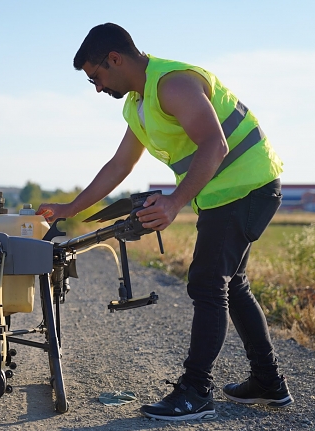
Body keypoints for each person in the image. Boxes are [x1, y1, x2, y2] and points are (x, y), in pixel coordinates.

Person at [37, 23, 293, 421]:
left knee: (208, 283)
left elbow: (215, 143)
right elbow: (120, 164)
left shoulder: (172, 83)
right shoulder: (136, 103)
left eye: (97, 77)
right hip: (224, 194)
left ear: (115, 59)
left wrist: (174, 202)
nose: (97, 88)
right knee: (233, 285)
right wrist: (72, 208)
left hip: (248, 187)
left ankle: (196, 391)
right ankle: (269, 382)